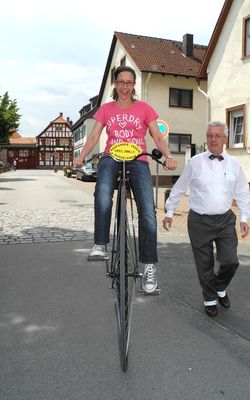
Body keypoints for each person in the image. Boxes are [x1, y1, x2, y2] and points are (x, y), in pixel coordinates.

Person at [74, 65, 176, 293]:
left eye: (129, 82)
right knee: (102, 192)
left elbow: (157, 136)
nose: (125, 86)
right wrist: (81, 156)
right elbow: (94, 136)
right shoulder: (106, 109)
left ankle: (149, 267)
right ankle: (100, 243)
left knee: (148, 210)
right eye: (121, 82)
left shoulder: (145, 108)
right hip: (112, 155)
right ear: (115, 84)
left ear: (134, 85)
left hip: (138, 158)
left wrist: (168, 155)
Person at [163, 121, 250, 316]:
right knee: (204, 264)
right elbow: (179, 188)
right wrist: (170, 212)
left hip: (225, 220)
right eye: (210, 135)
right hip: (199, 221)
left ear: (225, 139)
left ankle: (219, 287)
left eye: (217, 136)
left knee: (230, 260)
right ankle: (210, 298)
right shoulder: (195, 162)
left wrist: (244, 218)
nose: (213, 139)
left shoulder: (235, 166)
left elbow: (243, 193)